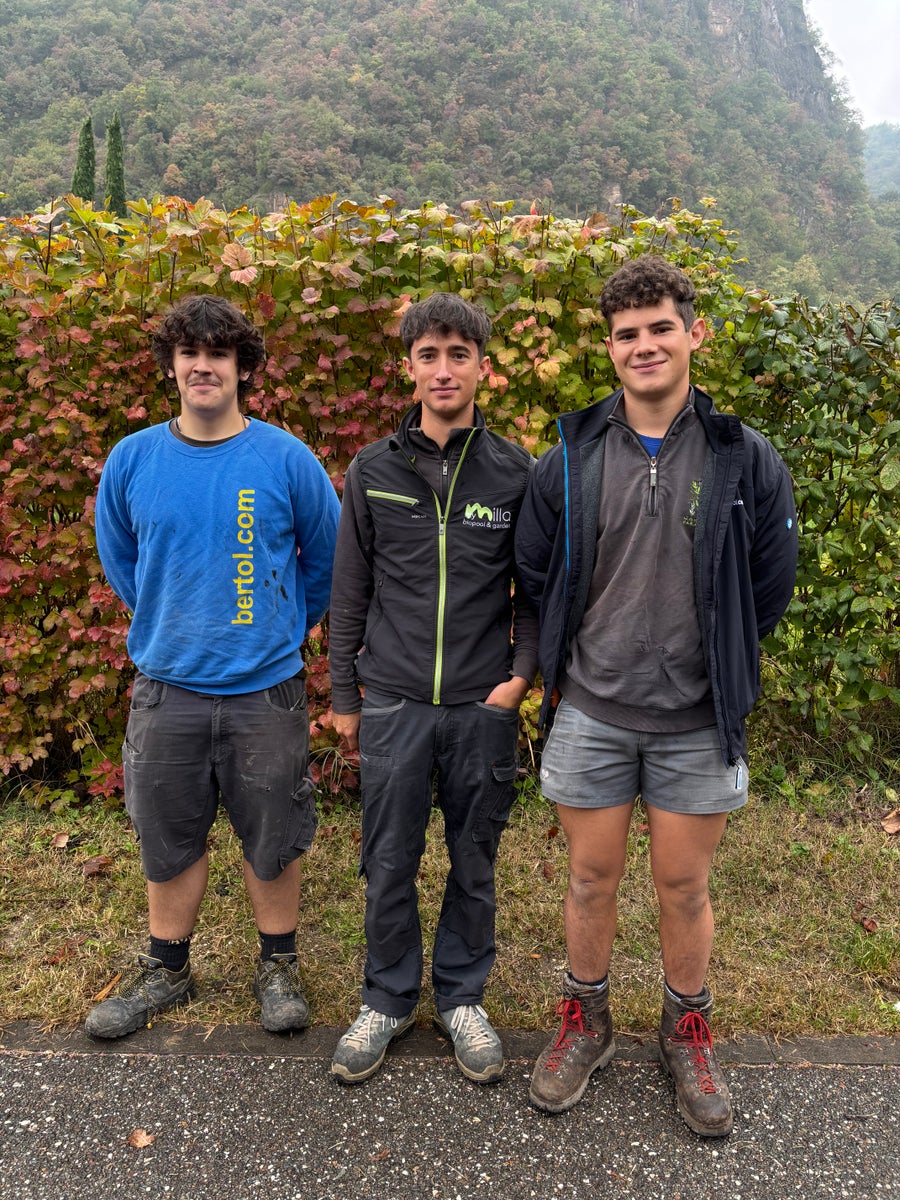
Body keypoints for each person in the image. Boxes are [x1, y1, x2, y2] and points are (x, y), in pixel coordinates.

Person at [515, 255, 797, 1135]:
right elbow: (537, 570)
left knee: (683, 886)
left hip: (696, 720)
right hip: (592, 710)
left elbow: (769, 580)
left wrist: (720, 656)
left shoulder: (742, 456)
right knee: (589, 878)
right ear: (610, 348)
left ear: (693, 335)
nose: (644, 345)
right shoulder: (569, 455)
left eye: (660, 328)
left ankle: (687, 1032)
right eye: (626, 333)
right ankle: (585, 1022)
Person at [87, 294, 340, 1039]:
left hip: (266, 690)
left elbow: (326, 561)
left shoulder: (285, 459)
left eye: (219, 353)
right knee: (168, 835)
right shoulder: (133, 459)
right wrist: (170, 620)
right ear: (171, 365)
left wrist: (280, 628)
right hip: (167, 689)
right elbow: (123, 560)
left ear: (242, 368)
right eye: (190, 353)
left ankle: (278, 966)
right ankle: (168, 968)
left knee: (274, 833)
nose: (204, 366)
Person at [328, 292, 538, 1085]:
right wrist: (346, 696)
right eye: (428, 356)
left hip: (482, 707)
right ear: (408, 368)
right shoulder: (373, 469)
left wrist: (518, 679)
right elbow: (350, 592)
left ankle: (461, 997)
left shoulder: (517, 473)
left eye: (459, 355)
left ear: (483, 367)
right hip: (394, 703)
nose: (444, 370)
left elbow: (534, 593)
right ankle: (386, 998)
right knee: (388, 859)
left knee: (473, 859)